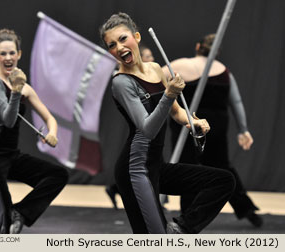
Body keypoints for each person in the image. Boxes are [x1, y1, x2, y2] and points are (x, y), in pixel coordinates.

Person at [100, 12, 236, 234]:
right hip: (135, 171)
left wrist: (192, 122)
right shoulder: (121, 83)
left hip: (156, 167)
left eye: (123, 39)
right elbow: (148, 128)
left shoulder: (155, 69)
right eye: (112, 45)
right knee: (155, 240)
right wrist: (169, 94)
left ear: (136, 36)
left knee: (223, 181)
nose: (119, 47)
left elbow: (176, 112)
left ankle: (182, 228)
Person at [0, 29, 69, 234]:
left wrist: (52, 133)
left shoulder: (25, 87)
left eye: (12, 53)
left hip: (10, 155)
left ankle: (22, 212)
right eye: (3, 54)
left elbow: (49, 118)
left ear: (19, 54)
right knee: (1, 223)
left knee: (57, 175)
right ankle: (8, 221)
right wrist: (16, 92)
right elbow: (8, 120)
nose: (8, 58)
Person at [164, 34, 263, 227]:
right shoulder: (224, 71)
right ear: (216, 52)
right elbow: (237, 102)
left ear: (198, 46)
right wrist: (243, 130)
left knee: (187, 169)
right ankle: (249, 211)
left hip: (188, 125)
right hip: (215, 127)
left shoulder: (179, 65)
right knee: (223, 169)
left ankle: (187, 216)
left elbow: (152, 79)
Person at [105, 43, 156, 210]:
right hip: (142, 132)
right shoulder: (123, 81)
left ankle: (114, 189)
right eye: (148, 56)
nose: (152, 59)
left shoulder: (153, 72)